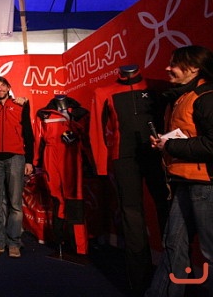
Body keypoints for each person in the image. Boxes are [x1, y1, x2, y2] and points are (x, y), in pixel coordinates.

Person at [89, 64, 169, 295]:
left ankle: (176, 269)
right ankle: (139, 280)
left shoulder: (157, 86)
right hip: (124, 157)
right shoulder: (104, 92)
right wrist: (101, 165)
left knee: (167, 208)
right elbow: (97, 130)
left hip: (157, 154)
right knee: (131, 215)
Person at [146, 45, 213, 297]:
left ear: (194, 68)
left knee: (209, 252)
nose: (167, 68)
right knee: (173, 245)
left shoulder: (206, 97)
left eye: (174, 64)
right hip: (185, 181)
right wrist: (165, 144)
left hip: (206, 185)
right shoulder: (183, 97)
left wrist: (170, 145)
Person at [33, 95, 90, 255]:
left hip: (72, 155)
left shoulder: (80, 113)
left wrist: (91, 162)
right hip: (51, 155)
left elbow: (88, 138)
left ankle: (79, 247)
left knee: (75, 199)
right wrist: (36, 162)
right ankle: (59, 242)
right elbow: (38, 140)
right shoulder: (43, 114)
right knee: (57, 199)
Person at [0, 76, 34, 258]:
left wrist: (29, 160)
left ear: (8, 87)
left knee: (15, 203)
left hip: (16, 158)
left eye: (2, 86)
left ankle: (14, 242)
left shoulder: (20, 106)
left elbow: (28, 133)